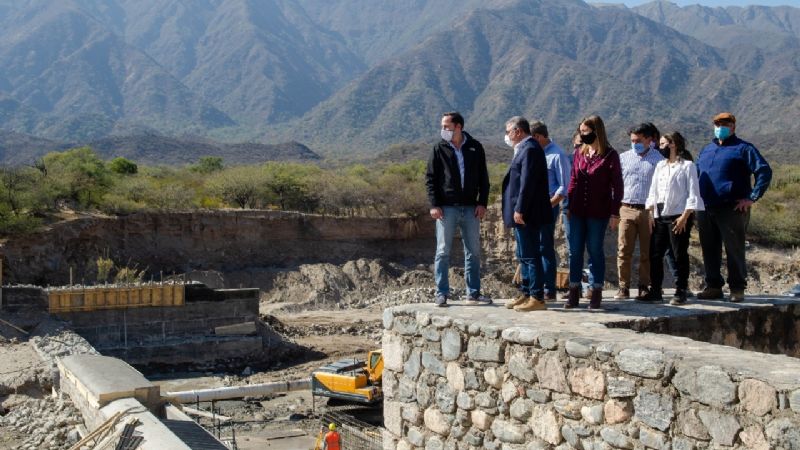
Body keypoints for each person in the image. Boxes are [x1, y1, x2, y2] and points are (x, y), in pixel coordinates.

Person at [695, 112, 772, 303]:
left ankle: (737, 288)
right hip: (705, 207)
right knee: (709, 248)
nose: (720, 127)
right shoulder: (707, 149)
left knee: (734, 248)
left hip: (732, 208)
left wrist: (752, 197)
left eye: (725, 124)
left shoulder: (744, 148)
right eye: (717, 123)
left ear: (733, 126)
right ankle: (713, 286)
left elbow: (763, 171)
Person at [425, 112, 491, 307]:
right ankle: (442, 293)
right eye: (443, 126)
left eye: (447, 126)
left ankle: (474, 293)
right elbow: (430, 178)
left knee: (473, 252)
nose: (443, 130)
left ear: (458, 127)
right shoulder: (439, 148)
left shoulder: (475, 147)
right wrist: (434, 204)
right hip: (446, 209)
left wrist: (482, 203)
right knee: (443, 251)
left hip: (471, 208)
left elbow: (483, 178)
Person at [566, 115, 623, 309]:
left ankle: (595, 290)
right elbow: (573, 179)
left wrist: (615, 213)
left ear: (596, 132)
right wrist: (568, 205)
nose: (582, 135)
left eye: (585, 132)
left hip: (598, 211)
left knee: (595, 250)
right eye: (580, 132)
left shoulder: (610, 155)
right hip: (577, 211)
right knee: (574, 251)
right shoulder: (579, 153)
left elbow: (618, 186)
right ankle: (573, 291)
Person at [645, 132, 704, 304]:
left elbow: (693, 193)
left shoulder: (687, 166)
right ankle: (655, 290)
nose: (659, 147)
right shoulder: (660, 166)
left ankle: (681, 290)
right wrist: (650, 213)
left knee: (678, 253)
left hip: (678, 214)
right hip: (659, 214)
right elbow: (653, 191)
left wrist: (685, 216)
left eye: (662, 144)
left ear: (673, 145)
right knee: (655, 253)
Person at [502, 116, 553, 312]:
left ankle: (537, 297)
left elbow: (527, 183)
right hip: (523, 212)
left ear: (518, 131)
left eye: (508, 132)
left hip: (528, 213)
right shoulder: (523, 148)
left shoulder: (530, 149)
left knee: (531, 255)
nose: (506, 136)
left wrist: (520, 208)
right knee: (523, 255)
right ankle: (526, 292)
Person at [616, 123, 664, 302]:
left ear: (649, 140)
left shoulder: (658, 160)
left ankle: (644, 286)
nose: (634, 143)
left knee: (647, 252)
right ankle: (623, 286)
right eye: (632, 140)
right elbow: (617, 183)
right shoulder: (624, 158)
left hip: (648, 210)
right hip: (626, 207)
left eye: (638, 140)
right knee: (623, 249)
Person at [530, 120, 570, 301]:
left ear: (538, 136)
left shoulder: (557, 154)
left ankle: (549, 288)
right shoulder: (532, 153)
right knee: (532, 248)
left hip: (548, 207)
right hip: (531, 208)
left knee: (545, 246)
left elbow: (564, 186)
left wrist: (550, 204)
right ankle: (534, 287)